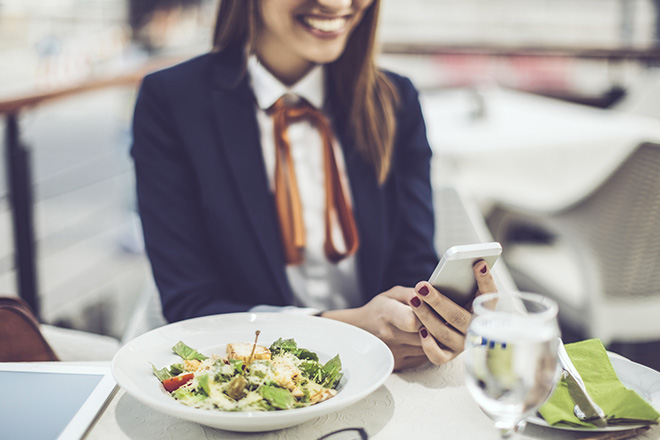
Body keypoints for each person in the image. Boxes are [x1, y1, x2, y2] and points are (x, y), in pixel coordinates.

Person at [131, 0, 497, 370]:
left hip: (381, 376)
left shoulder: (395, 99)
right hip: (250, 385)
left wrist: (428, 318)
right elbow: (191, 305)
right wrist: (343, 329)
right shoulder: (171, 103)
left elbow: (412, 265)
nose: (338, 4)